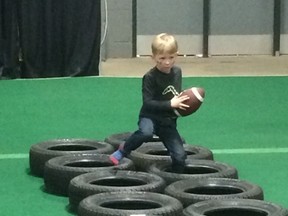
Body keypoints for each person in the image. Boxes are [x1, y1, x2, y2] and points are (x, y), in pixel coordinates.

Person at [109, 33, 190, 173]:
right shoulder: (150, 77)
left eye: (171, 57)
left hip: (167, 121)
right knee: (145, 133)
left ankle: (176, 178)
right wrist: (170, 104)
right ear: (153, 57)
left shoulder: (177, 72)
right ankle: (123, 150)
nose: (167, 62)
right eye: (162, 58)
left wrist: (185, 103)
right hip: (150, 116)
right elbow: (147, 103)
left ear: (177, 55)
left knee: (180, 156)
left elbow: (176, 93)